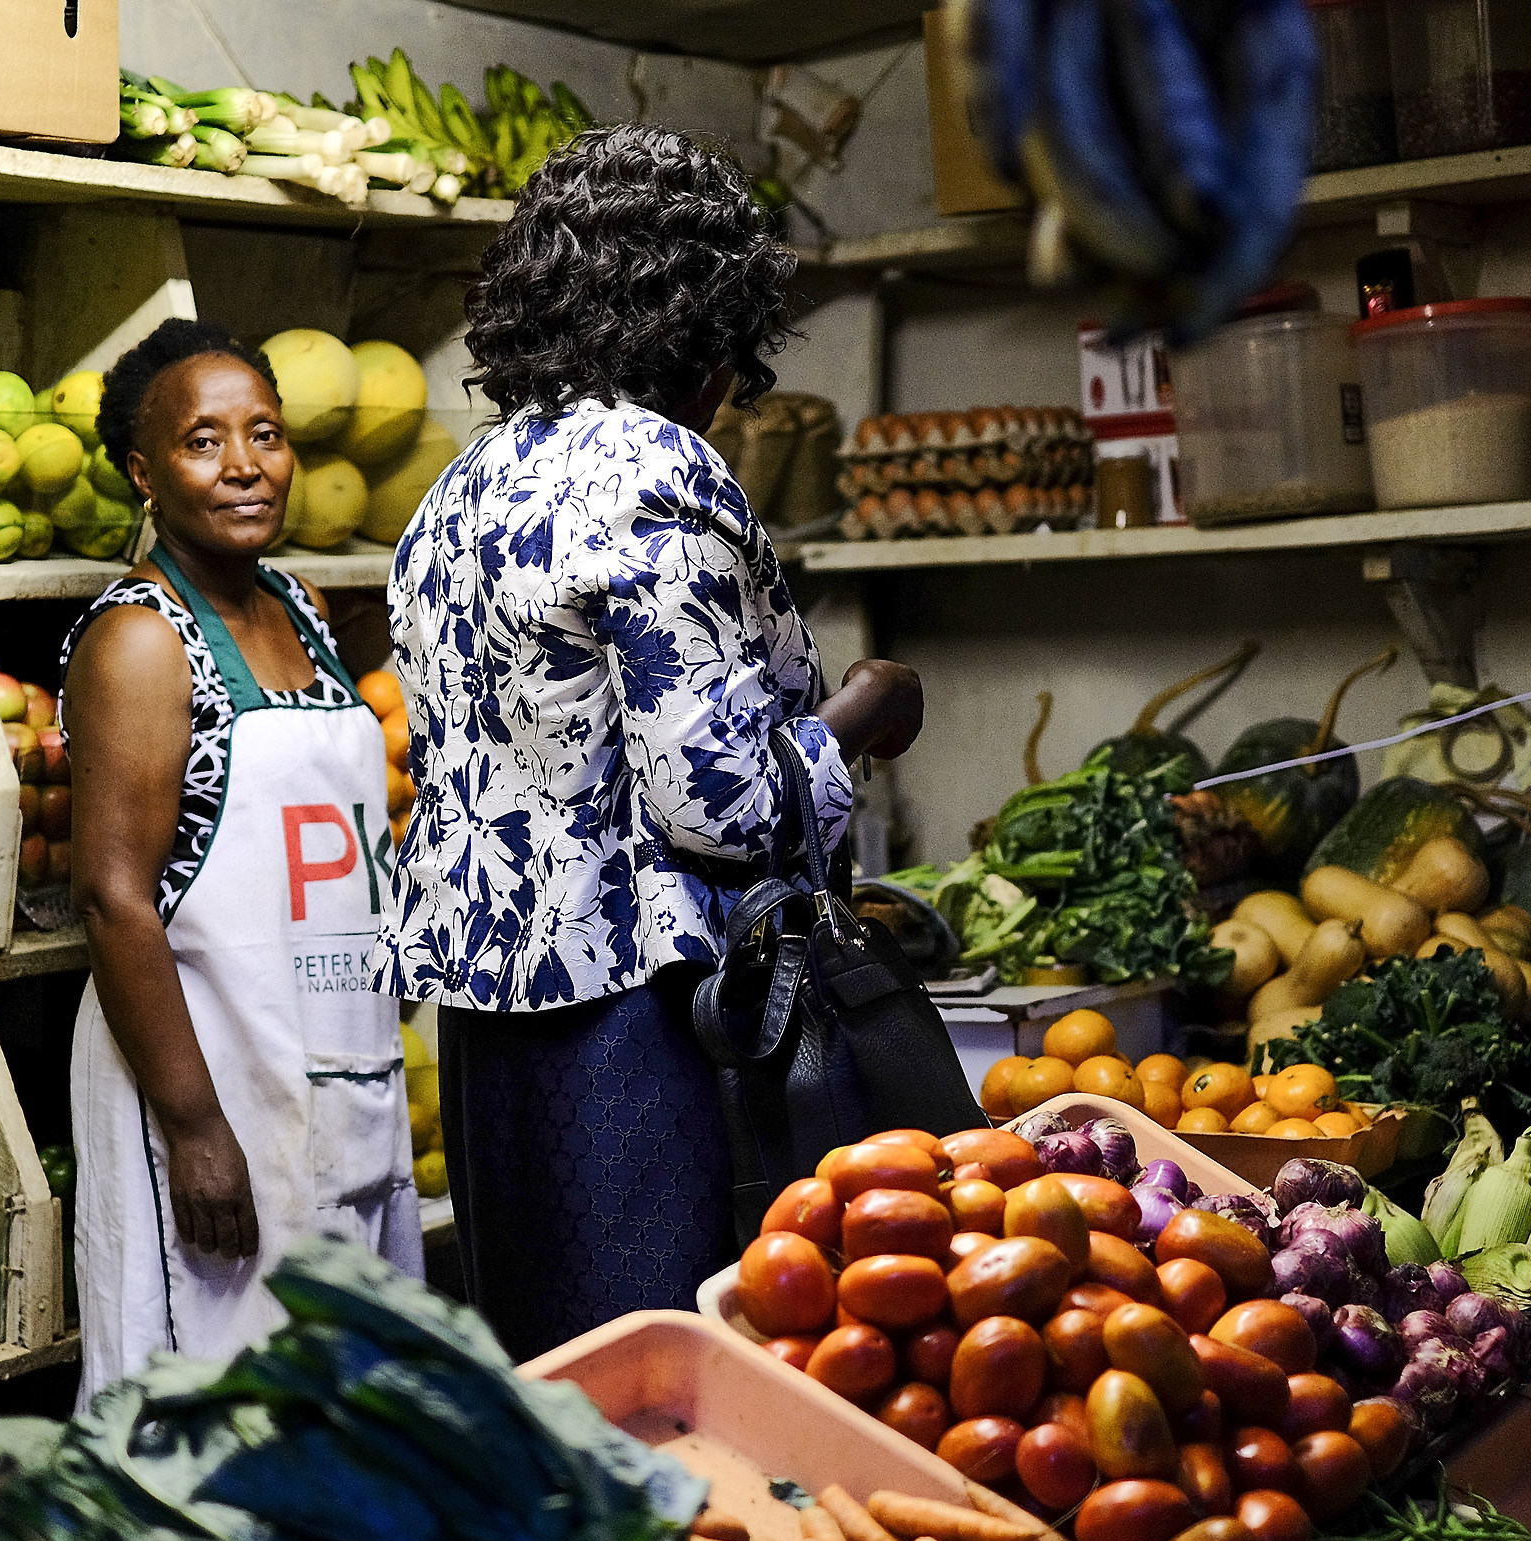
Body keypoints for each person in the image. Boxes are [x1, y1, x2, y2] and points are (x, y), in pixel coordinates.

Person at [377, 126, 926, 1361]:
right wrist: (866, 708)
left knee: (567, 1384)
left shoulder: (461, 486)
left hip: (490, 1028)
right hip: (651, 1025)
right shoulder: (656, 466)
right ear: (707, 321)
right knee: (687, 1383)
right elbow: (719, 803)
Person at [62, 318, 421, 1405]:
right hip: (209, 1080)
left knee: (341, 1408)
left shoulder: (303, 613)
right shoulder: (140, 639)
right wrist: (196, 1128)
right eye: (203, 441)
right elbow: (112, 896)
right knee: (205, 1417)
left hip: (331, 1071)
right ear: (144, 471)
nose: (244, 465)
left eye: (263, 433)